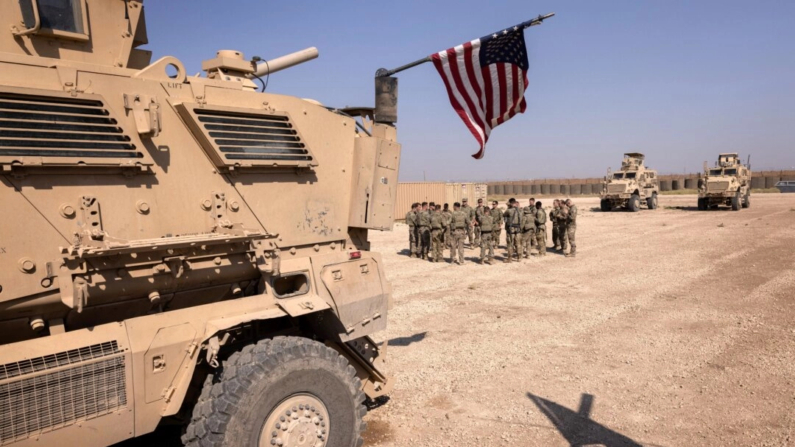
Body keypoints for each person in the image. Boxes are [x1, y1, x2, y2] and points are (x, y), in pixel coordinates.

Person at [503, 198, 524, 262]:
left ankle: (510, 258)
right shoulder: (520, 210)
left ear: (511, 203)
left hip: (511, 229)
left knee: (510, 244)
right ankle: (519, 257)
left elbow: (504, 215)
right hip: (518, 229)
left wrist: (508, 206)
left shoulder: (509, 210)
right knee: (518, 243)